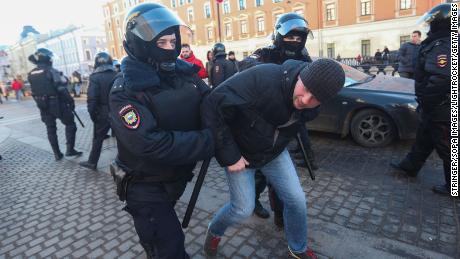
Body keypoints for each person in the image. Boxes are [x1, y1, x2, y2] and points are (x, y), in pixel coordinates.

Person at [202, 58, 345, 258]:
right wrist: (230, 155)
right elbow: (212, 104)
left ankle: (298, 248)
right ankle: (214, 231)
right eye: (306, 89)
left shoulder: (312, 106)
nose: (306, 100)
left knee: (296, 200)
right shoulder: (263, 77)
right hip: (241, 155)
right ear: (301, 75)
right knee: (243, 208)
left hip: (274, 153)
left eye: (316, 98)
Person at [108, 3, 214, 258]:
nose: (170, 48)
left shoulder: (183, 75)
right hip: (145, 189)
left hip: (174, 180)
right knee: (168, 249)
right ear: (141, 44)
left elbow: (212, 104)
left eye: (172, 41)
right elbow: (150, 143)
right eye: (161, 42)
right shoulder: (125, 91)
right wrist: (208, 141)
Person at [239, 12, 319, 224]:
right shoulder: (265, 53)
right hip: (264, 121)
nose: (294, 41)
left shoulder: (304, 57)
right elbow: (246, 64)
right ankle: (254, 199)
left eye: (298, 37)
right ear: (278, 35)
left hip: (292, 119)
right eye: (289, 36)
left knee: (283, 172)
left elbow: (315, 79)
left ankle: (280, 214)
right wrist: (276, 74)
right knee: (261, 171)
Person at [391, 3, 452, 196]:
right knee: (424, 138)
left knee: (447, 146)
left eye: (432, 22)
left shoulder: (444, 44)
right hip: (436, 106)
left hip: (441, 106)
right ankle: (410, 166)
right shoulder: (441, 41)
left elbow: (441, 78)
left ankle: (454, 185)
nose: (429, 26)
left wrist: (428, 102)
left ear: (441, 23)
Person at [27, 48, 83, 160]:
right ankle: (70, 149)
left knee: (50, 128)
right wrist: (70, 101)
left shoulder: (31, 73)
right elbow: (61, 88)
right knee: (70, 124)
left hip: (42, 104)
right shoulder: (51, 71)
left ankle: (57, 154)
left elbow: (34, 90)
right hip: (56, 103)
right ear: (47, 58)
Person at [79, 52, 118, 170]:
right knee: (123, 138)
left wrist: (93, 115)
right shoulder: (117, 74)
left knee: (97, 138)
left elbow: (92, 99)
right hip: (117, 109)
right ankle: (126, 162)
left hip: (103, 111)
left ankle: (92, 162)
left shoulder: (95, 77)